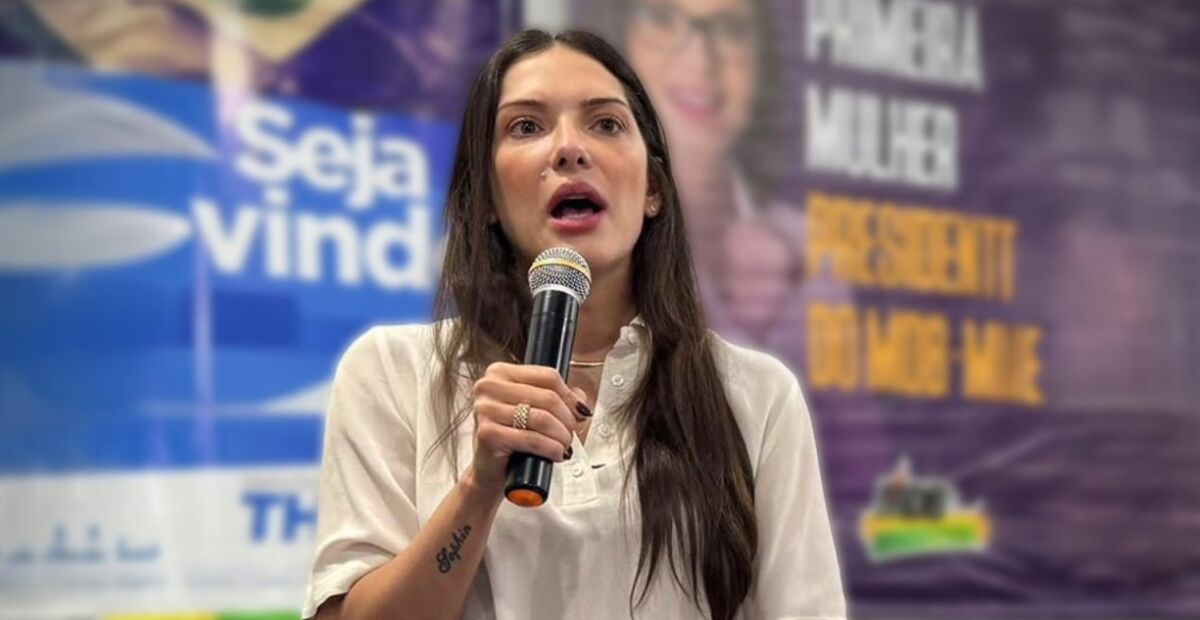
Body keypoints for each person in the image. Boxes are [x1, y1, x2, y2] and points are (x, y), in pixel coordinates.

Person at [302, 29, 844, 620]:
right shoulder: (392, 371)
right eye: (526, 127)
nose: (569, 149)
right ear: (486, 197)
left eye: (605, 124)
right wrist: (479, 487)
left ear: (654, 191)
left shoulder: (755, 395)